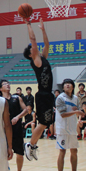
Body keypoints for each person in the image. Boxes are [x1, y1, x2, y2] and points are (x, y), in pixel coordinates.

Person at [23, 18, 54, 161]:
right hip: (42, 95)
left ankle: (33, 145)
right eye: (33, 49)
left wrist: (43, 30)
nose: (35, 48)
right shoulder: (36, 61)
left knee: (45, 123)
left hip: (48, 95)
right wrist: (28, 24)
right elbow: (33, 39)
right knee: (42, 123)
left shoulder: (43, 58)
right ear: (31, 54)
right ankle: (30, 145)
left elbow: (47, 44)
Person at [0, 79, 30, 171]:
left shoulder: (17, 98)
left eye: (8, 83)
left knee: (20, 153)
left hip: (17, 129)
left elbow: (26, 110)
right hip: (3, 130)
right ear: (0, 88)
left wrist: (18, 117)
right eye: (4, 84)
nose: (7, 85)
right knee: (4, 154)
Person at [55, 79, 86, 171]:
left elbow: (78, 111)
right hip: (62, 129)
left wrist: (80, 117)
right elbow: (63, 114)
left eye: (69, 84)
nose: (67, 85)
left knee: (74, 151)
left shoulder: (75, 98)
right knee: (62, 151)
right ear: (63, 87)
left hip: (72, 128)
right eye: (65, 84)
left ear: (73, 87)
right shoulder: (60, 98)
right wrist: (76, 112)